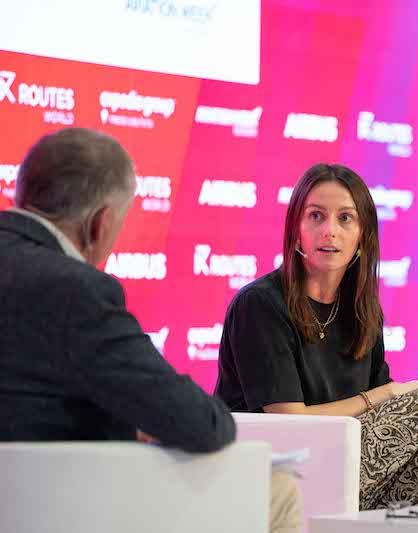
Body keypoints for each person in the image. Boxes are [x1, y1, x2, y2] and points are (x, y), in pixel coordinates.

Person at [0, 127, 301, 533]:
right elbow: (203, 425)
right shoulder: (75, 289)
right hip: (52, 510)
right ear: (100, 223)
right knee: (277, 488)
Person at [215, 163, 418, 510]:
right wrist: (389, 394)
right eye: (316, 216)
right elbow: (290, 422)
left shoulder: (363, 311)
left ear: (363, 235)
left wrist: (413, 390)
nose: (329, 231)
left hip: (350, 467)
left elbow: (385, 412)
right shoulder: (260, 305)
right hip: (278, 475)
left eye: (345, 219)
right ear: (296, 229)